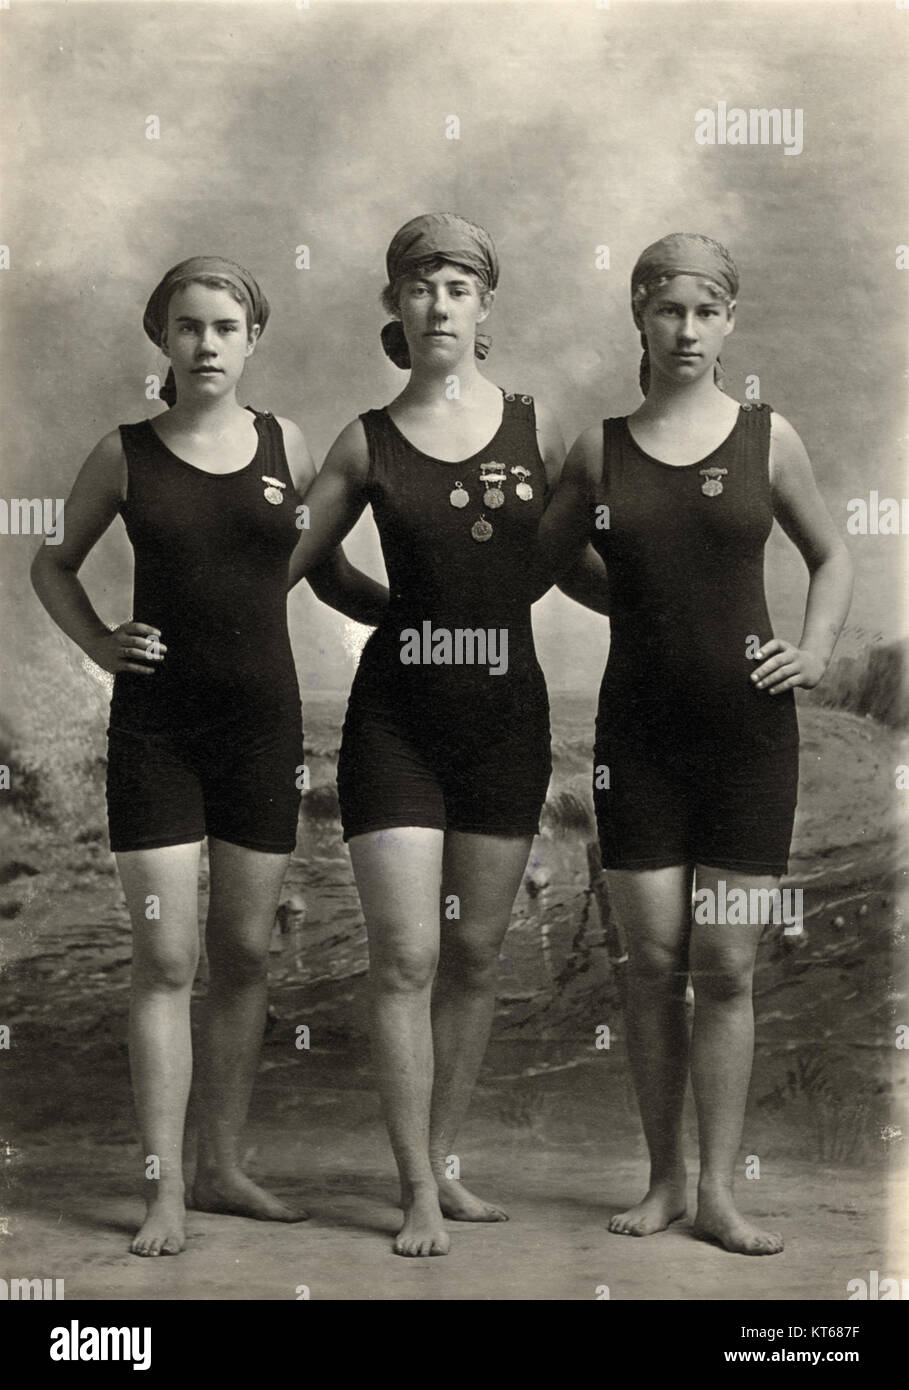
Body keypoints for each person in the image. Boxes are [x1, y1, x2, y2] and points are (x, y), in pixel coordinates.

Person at [30, 256, 386, 1256]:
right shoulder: (126, 452)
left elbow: (326, 571)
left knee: (241, 955)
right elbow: (49, 562)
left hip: (263, 731)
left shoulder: (289, 443)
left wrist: (415, 614)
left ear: (252, 338)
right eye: (189, 327)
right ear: (164, 339)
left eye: (226, 327)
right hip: (157, 733)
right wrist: (102, 642)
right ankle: (163, 1190)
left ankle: (222, 1167)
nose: (207, 345)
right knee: (166, 956)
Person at [285, 213, 606, 1256]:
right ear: (395, 305)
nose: (438, 302)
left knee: (474, 952)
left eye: (458, 285)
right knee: (408, 955)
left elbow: (580, 566)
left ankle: (446, 1160)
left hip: (509, 719)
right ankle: (416, 1187)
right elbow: (298, 560)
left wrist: (675, 617)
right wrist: (388, 611)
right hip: (396, 726)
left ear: (483, 307)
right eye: (419, 285)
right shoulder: (365, 438)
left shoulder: (536, 427)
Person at [539, 233, 853, 1254]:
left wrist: (813, 651)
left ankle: (721, 1190)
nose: (687, 329)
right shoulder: (599, 449)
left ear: (729, 323)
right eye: (669, 309)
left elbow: (831, 550)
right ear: (640, 313)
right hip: (638, 740)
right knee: (651, 961)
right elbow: (546, 566)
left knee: (723, 963)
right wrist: (631, 601)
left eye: (707, 311)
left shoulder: (770, 438)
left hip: (750, 742)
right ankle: (665, 1180)